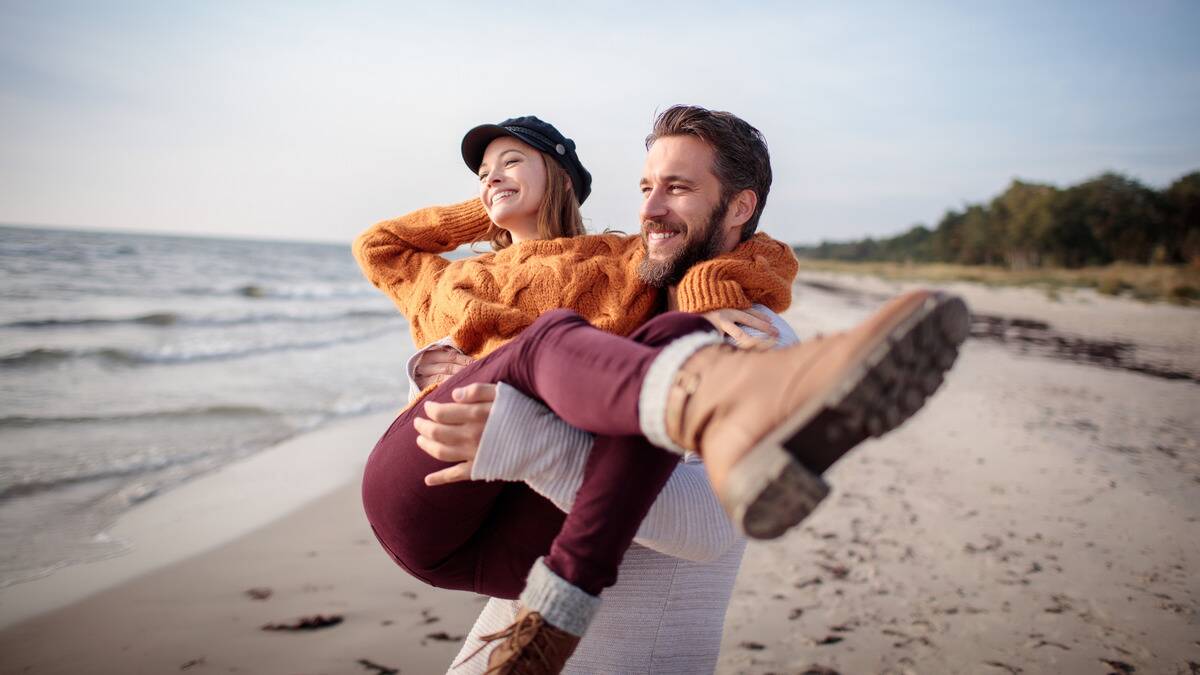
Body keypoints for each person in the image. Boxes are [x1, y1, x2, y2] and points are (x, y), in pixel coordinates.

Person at [355, 108, 969, 674]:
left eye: (677, 188)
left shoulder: (752, 337)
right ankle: (707, 413)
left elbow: (705, 529)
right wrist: (448, 368)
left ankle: (711, 443)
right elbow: (390, 255)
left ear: (737, 208)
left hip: (587, 639)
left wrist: (528, 440)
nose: (649, 210)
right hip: (480, 557)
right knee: (569, 341)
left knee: (612, 339)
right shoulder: (644, 311)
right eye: (647, 188)